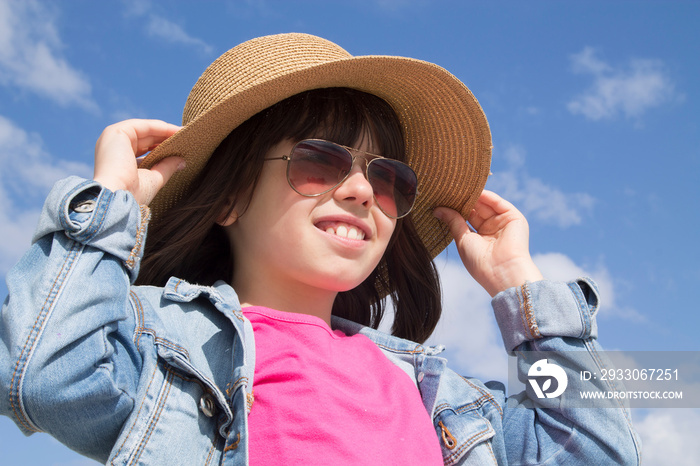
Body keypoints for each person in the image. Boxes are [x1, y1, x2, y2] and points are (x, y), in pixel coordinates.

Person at [0, 33, 640, 465]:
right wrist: (112, 202)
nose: (362, 189)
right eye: (320, 162)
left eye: (389, 178)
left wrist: (526, 301)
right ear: (228, 199)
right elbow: (45, 377)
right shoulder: (163, 343)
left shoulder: (444, 396)